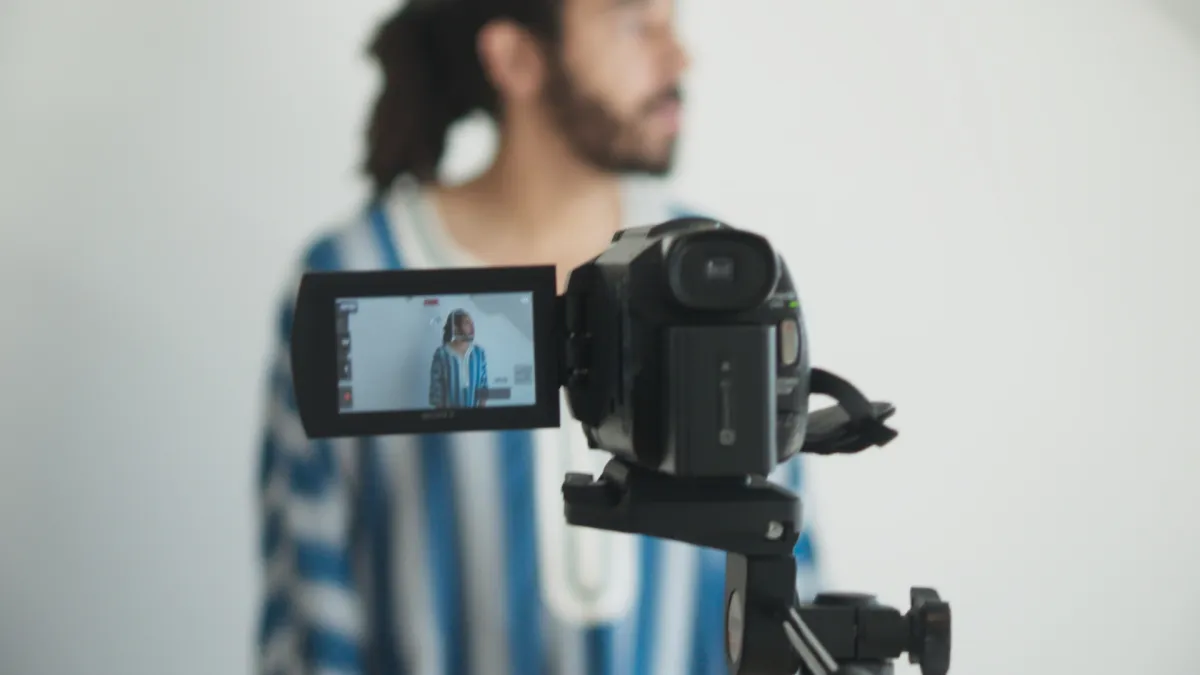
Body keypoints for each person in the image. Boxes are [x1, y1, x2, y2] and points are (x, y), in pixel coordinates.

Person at [255, 1, 822, 674]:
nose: (679, 59)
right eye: (635, 24)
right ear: (517, 58)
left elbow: (783, 584)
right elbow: (312, 615)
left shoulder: (717, 273)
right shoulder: (357, 281)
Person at [429, 309, 489, 408]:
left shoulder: (479, 353)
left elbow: (484, 385)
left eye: (472, 322)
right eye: (467, 323)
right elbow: (436, 391)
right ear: (455, 328)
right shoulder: (441, 354)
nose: (472, 326)